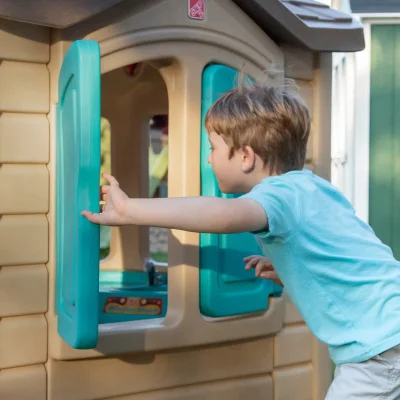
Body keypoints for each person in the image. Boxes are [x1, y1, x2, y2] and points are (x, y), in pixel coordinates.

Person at [82, 81, 400, 399]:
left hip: (379, 350)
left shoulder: (277, 195)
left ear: (246, 157)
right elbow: (339, 253)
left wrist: (128, 209)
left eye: (213, 148)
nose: (209, 159)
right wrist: (289, 267)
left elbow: (226, 216)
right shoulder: (312, 187)